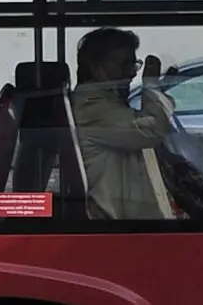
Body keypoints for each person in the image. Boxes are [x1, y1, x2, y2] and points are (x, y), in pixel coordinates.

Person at [70, 27, 177, 220]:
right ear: (96, 67)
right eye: (124, 64)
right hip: (114, 225)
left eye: (133, 64)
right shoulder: (91, 106)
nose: (131, 73)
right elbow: (151, 130)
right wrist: (151, 86)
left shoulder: (108, 102)